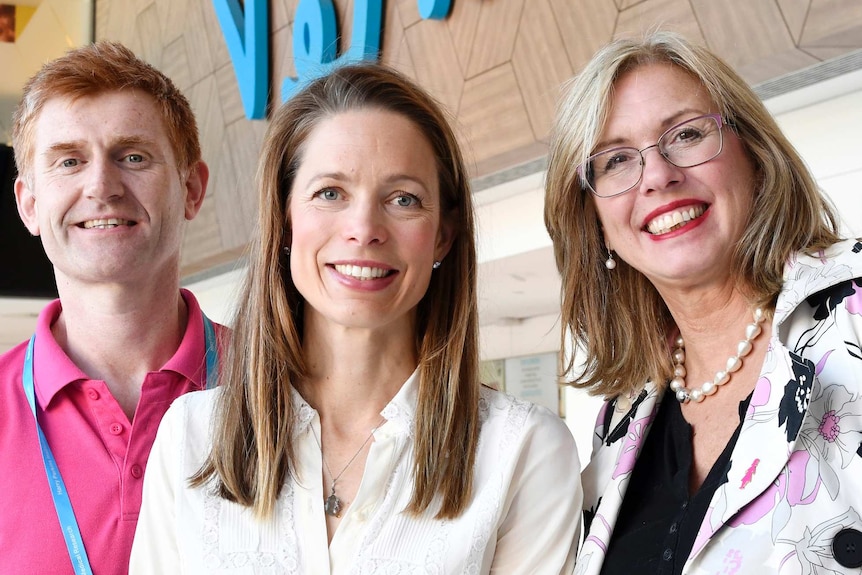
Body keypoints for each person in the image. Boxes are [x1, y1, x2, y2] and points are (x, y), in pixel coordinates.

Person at [130, 62, 582, 574]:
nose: (364, 228)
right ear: (284, 219)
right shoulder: (190, 436)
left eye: (403, 198)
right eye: (330, 193)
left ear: (443, 235)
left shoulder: (522, 450)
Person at [544, 30, 862, 574]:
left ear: (754, 153)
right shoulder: (620, 418)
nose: (659, 177)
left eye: (687, 134)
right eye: (615, 161)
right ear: (594, 221)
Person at [0, 41, 223, 575]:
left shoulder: (285, 391)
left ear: (192, 189)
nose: (101, 185)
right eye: (69, 161)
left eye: (133, 157)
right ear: (29, 205)